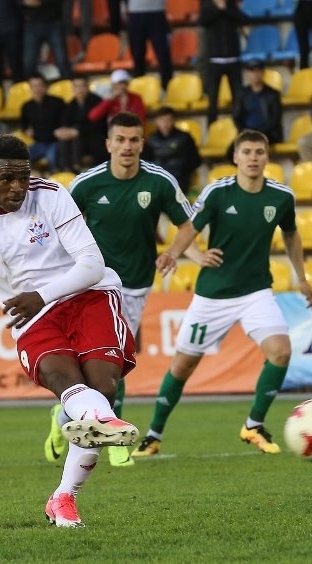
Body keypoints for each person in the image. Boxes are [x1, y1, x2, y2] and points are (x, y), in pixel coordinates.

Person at [0, 134, 139, 528]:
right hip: (31, 316)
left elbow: (92, 264)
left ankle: (64, 493)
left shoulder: (51, 195)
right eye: (7, 179)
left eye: (23, 177)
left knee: (103, 387)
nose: (18, 187)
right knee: (63, 379)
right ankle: (94, 429)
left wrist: (41, 295)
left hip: (89, 296)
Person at [131, 129, 312, 458]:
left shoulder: (281, 197)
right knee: (182, 367)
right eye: (246, 152)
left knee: (280, 351)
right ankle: (154, 435)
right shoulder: (218, 192)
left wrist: (301, 278)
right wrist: (181, 254)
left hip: (255, 292)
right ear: (235, 157)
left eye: (259, 152)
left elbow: (291, 235)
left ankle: (253, 425)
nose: (253, 158)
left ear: (267, 157)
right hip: (213, 296)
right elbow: (189, 228)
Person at [52, 111, 215, 467]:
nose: (127, 146)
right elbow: (57, 229)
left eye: (134, 140)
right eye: (120, 140)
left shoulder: (159, 181)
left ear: (142, 143)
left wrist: (174, 253)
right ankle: (115, 439)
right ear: (108, 144)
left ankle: (64, 416)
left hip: (136, 286)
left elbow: (188, 225)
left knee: (112, 363)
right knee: (109, 359)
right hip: (93, 285)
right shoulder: (86, 184)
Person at [198, 0, 248, 125]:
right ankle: (211, 130)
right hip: (214, 61)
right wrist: (218, 10)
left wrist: (225, 9)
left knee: (238, 99)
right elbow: (203, 21)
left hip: (233, 60)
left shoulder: (231, 5)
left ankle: (239, 128)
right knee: (212, 101)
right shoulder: (207, 6)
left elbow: (244, 19)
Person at [228, 59, 283, 162]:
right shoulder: (242, 94)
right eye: (252, 71)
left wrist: (260, 133)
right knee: (230, 152)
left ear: (263, 73)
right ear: (247, 74)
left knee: (255, 148)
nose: (255, 74)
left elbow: (275, 120)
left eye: (258, 71)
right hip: (247, 132)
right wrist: (244, 130)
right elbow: (236, 117)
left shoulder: (273, 94)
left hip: (268, 133)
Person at [54, 76, 108, 173]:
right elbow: (65, 121)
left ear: (87, 87)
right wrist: (61, 130)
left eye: (82, 86)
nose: (79, 89)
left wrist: (78, 131)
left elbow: (99, 125)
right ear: (73, 89)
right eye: (76, 86)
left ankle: (76, 167)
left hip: (95, 137)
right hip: (77, 138)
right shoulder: (71, 104)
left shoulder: (97, 101)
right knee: (64, 139)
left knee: (76, 137)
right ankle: (65, 170)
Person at [145, 105, 202, 193]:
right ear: (156, 121)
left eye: (168, 120)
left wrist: (182, 170)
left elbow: (196, 160)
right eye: (162, 120)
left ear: (173, 120)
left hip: (179, 180)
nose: (165, 124)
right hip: (157, 180)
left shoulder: (184, 138)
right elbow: (146, 161)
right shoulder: (151, 139)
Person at [21, 74, 66, 172]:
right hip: (38, 143)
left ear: (46, 86)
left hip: (55, 142)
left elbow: (65, 121)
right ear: (30, 88)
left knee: (52, 160)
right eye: (34, 86)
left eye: (40, 85)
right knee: (19, 158)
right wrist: (26, 131)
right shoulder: (26, 106)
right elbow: (24, 125)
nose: (37, 89)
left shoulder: (57, 102)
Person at [127, 0, 173, 89]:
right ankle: (139, 89)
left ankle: (168, 88)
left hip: (157, 13)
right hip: (135, 14)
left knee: (163, 56)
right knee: (137, 56)